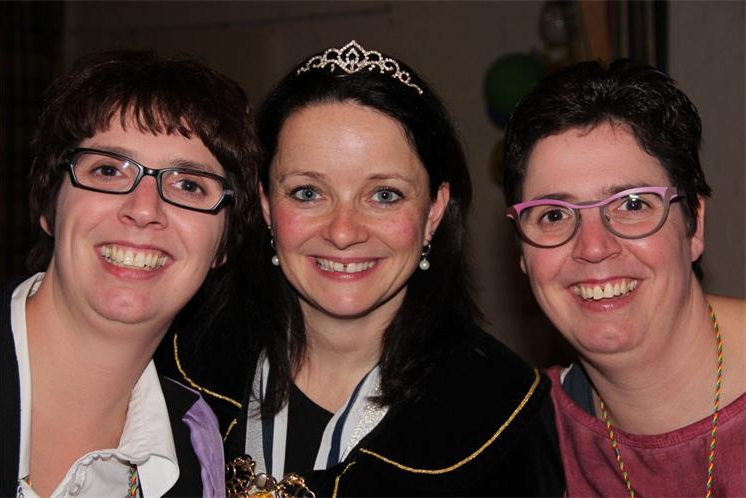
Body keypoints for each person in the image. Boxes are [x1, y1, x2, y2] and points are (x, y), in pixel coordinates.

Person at [168, 40, 564, 497]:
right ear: (266, 205)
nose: (343, 232)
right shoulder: (181, 364)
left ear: (434, 211)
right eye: (307, 193)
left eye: (384, 195)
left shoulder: (500, 412)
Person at [0, 49, 260, 497]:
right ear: (49, 203)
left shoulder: (196, 450)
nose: (143, 209)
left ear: (223, 244)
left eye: (188, 184)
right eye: (108, 170)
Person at [502, 59, 746, 496]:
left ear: (694, 226)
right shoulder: (521, 437)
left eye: (633, 204)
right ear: (522, 250)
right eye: (554, 215)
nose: (594, 247)